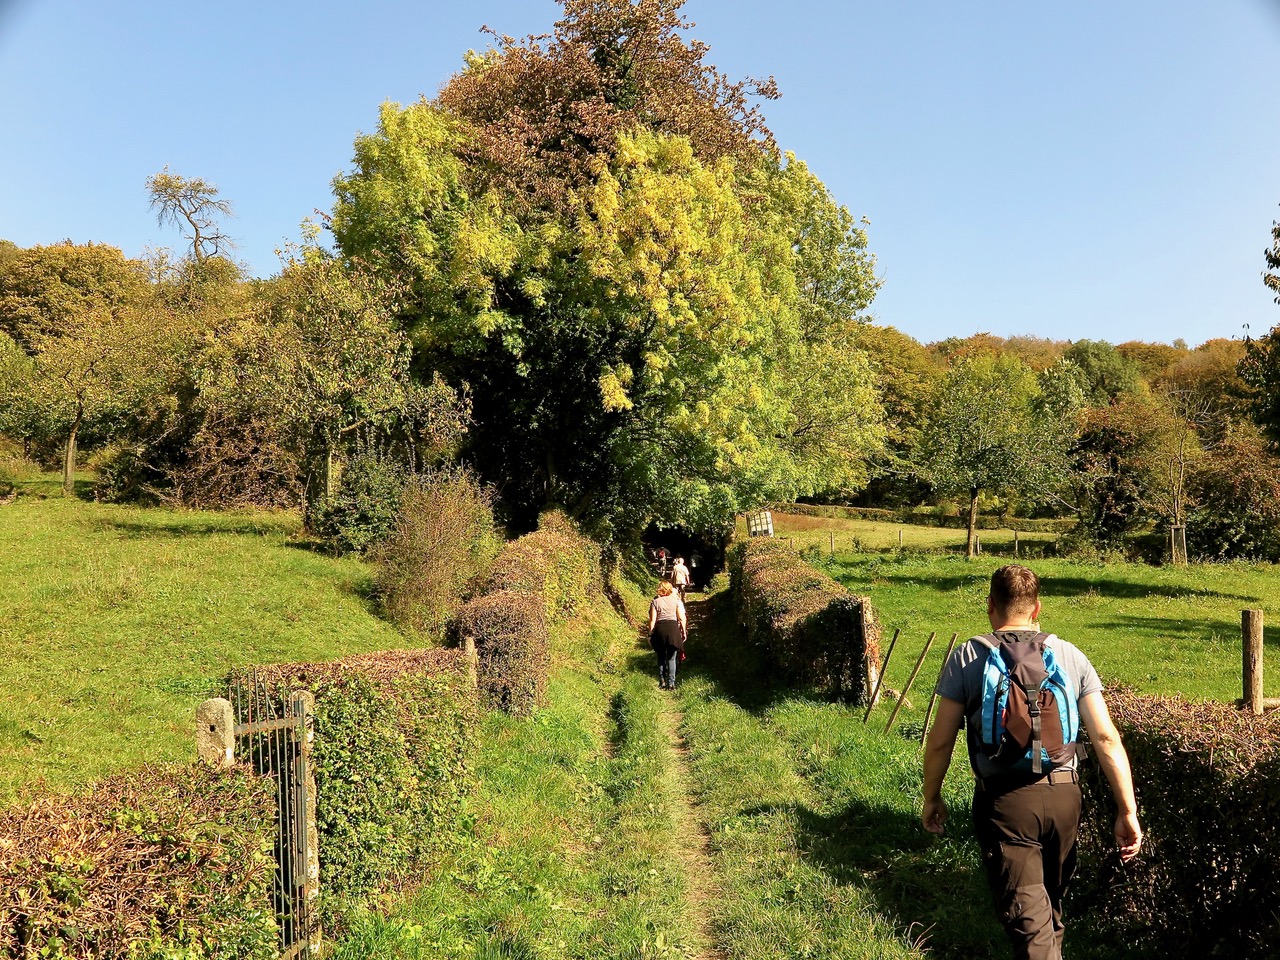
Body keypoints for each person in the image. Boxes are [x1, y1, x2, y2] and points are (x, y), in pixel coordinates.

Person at [922, 564, 1142, 960]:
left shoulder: (969, 655)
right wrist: (1127, 809)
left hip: (1007, 805)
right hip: (1065, 799)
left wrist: (932, 796)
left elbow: (939, 743)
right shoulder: (1070, 655)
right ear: (1037, 608)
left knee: (1031, 924)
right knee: (1048, 912)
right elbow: (1106, 737)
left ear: (990, 605)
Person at [647, 579, 687, 690]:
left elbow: (652, 620)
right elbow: (681, 618)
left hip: (660, 629)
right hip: (673, 629)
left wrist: (650, 634)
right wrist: (684, 631)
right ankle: (671, 683)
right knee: (672, 658)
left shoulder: (655, 602)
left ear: (660, 589)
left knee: (661, 656)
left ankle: (662, 680)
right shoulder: (676, 601)